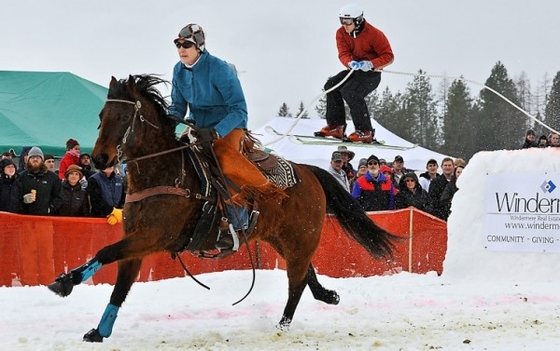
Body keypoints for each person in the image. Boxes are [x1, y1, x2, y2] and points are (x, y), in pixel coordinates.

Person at [167, 23, 282, 252]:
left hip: (229, 127)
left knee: (224, 163)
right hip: (198, 128)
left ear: (199, 47)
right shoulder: (178, 70)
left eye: (186, 45)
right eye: (178, 44)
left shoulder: (219, 69)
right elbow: (178, 107)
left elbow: (239, 109)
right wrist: (166, 126)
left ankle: (236, 223)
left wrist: (218, 131)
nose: (181, 49)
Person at [314, 4, 394, 143]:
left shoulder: (374, 34)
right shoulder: (341, 33)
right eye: (342, 21)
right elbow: (343, 53)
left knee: (350, 91)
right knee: (331, 85)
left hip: (371, 74)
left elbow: (388, 56)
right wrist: (350, 63)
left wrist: (371, 64)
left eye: (348, 22)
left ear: (358, 21)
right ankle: (336, 126)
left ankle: (365, 131)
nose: (344, 25)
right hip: (354, 71)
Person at [18, 146, 63, 215]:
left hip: (45, 218)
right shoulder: (21, 177)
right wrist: (22, 200)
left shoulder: (52, 177)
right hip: (26, 217)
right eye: (32, 157)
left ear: (42, 160)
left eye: (38, 157)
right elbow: (14, 196)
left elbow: (59, 197)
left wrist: (49, 208)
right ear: (28, 160)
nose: (35, 159)